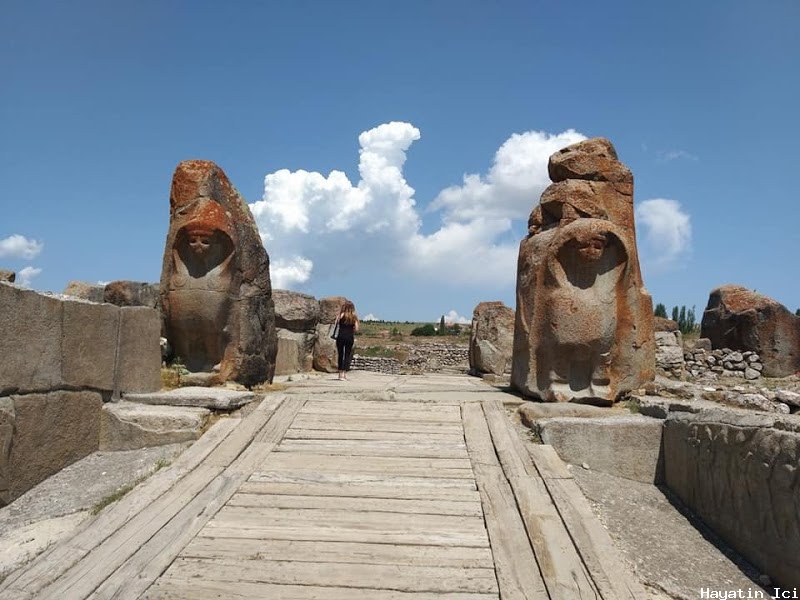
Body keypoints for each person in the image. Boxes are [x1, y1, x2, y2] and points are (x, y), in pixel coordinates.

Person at [334, 300, 359, 380]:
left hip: (340, 337)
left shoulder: (341, 315)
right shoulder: (354, 317)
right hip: (349, 337)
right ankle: (344, 374)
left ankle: (340, 374)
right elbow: (357, 329)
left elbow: (336, 324)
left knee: (340, 355)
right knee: (347, 355)